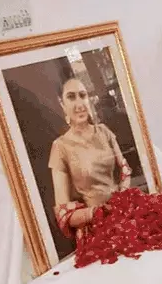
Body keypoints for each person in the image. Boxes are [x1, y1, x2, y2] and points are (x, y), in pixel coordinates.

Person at [49, 77, 132, 241]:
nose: (80, 104)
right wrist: (98, 212)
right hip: (96, 231)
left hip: (124, 216)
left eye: (83, 95)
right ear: (62, 103)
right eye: (71, 97)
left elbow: (125, 170)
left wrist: (121, 200)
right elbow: (64, 214)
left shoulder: (104, 131)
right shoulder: (60, 147)